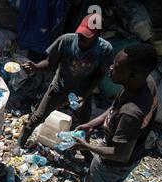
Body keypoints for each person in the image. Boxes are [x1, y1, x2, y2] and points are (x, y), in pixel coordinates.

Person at [73, 43, 159, 182]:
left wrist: (86, 146)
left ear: (133, 74)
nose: (111, 68)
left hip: (112, 163)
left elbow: (121, 154)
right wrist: (90, 124)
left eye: (117, 66)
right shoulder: (145, 84)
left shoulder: (130, 113)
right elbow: (114, 109)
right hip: (133, 158)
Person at [18, 13, 114, 149]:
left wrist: (85, 95)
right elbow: (50, 63)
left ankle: (85, 149)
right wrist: (35, 67)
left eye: (87, 37)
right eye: (81, 34)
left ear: (98, 36)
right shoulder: (66, 41)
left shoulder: (105, 50)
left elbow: (99, 75)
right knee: (38, 117)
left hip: (82, 93)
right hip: (59, 87)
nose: (81, 39)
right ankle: (22, 139)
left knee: (84, 124)